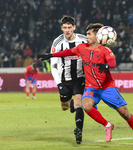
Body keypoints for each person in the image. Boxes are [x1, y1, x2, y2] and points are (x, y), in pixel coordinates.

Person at [37, 23, 133, 147]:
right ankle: (107, 125)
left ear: (97, 35)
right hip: (91, 87)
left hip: (107, 87)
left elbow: (112, 62)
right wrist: (50, 55)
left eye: (89, 34)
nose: (86, 36)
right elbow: (67, 52)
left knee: (124, 113)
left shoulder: (105, 50)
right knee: (86, 105)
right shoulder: (82, 47)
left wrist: (106, 65)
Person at [49, 16, 86, 144]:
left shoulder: (83, 40)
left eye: (69, 27)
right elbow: (53, 66)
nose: (67, 30)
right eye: (65, 28)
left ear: (74, 27)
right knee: (64, 107)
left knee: (78, 102)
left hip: (80, 78)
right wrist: (59, 84)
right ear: (61, 28)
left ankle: (79, 131)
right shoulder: (57, 43)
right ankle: (70, 104)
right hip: (65, 79)